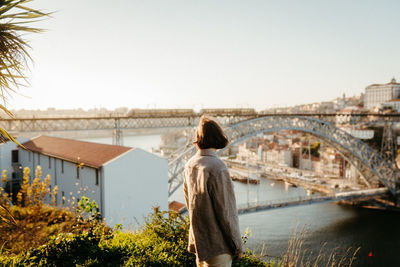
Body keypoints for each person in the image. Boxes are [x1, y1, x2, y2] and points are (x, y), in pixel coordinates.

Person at [184, 116, 243, 267]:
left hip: (199, 244)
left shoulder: (190, 165)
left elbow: (189, 204)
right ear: (218, 137)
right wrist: (237, 245)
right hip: (218, 247)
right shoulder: (218, 167)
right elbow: (226, 213)